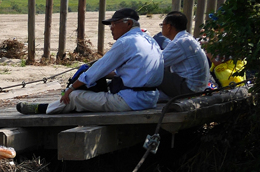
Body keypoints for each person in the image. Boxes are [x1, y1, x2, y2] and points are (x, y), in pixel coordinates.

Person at [17, 8, 163, 115]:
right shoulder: (149, 39)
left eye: (114, 24)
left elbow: (98, 68)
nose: (111, 28)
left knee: (74, 97)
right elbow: (133, 71)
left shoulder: (126, 42)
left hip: (130, 101)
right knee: (97, 85)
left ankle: (43, 109)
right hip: (150, 98)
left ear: (128, 23)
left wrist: (72, 88)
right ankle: (52, 105)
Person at [156, 10, 211, 98]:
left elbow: (156, 62)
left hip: (190, 89)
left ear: (169, 27)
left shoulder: (181, 42)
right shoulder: (186, 38)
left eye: (162, 25)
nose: (162, 28)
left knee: (154, 72)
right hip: (197, 87)